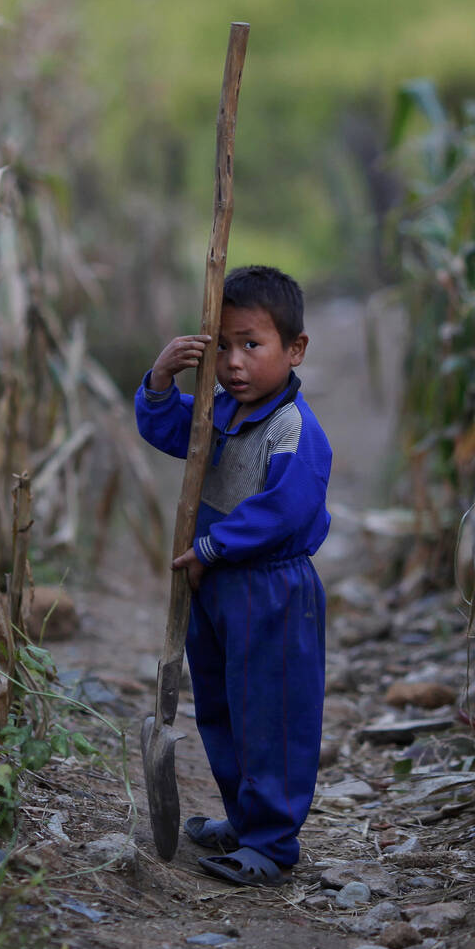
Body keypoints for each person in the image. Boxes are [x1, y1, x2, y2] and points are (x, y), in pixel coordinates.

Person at [135, 265, 332, 887]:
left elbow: (284, 511)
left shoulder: (292, 429)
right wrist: (163, 378)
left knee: (270, 712)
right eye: (220, 345)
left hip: (270, 588)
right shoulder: (217, 415)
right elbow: (173, 432)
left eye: (251, 344)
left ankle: (273, 842)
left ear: (294, 349)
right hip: (215, 587)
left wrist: (215, 547)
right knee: (224, 708)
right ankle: (245, 821)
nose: (233, 361)